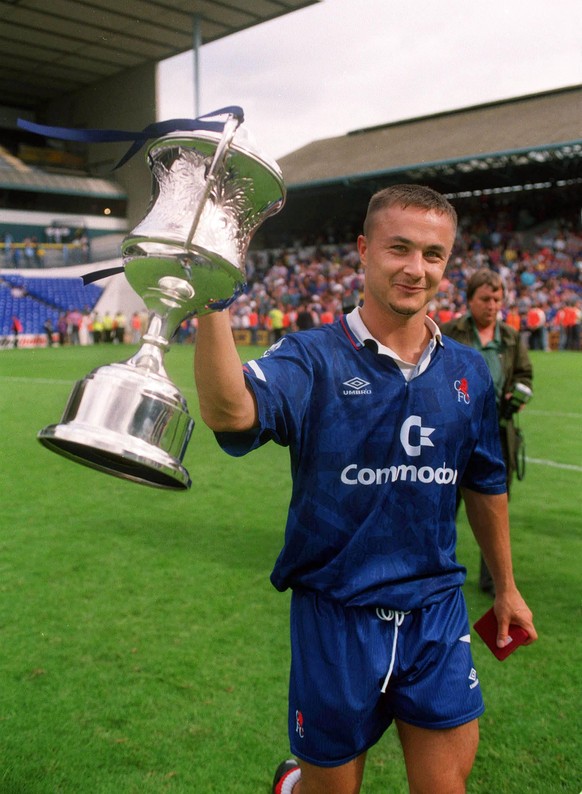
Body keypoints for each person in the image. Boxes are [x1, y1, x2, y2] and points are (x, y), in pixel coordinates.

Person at [194, 185, 537, 794]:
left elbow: (485, 483)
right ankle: (295, 786)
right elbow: (232, 413)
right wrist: (211, 298)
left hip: (436, 612)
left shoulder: (467, 372)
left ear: (447, 262)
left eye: (433, 254)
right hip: (336, 616)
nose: (416, 268)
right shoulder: (313, 357)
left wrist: (506, 587)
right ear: (363, 251)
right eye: (399, 249)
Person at [441, 269, 533, 596]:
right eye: (485, 299)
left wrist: (518, 396)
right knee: (442, 504)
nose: (492, 305)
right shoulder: (449, 331)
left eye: (497, 299)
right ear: (469, 300)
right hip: (453, 434)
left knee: (495, 506)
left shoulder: (510, 337)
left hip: (497, 435)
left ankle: (493, 579)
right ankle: (436, 569)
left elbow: (524, 375)